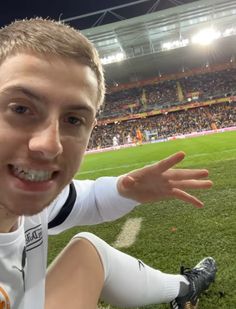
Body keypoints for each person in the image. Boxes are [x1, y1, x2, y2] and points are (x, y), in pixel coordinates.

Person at [0, 18, 217, 309]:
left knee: (88, 252)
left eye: (73, 120)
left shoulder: (31, 200)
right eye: (21, 108)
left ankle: (185, 288)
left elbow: (86, 200)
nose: (50, 144)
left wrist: (127, 190)